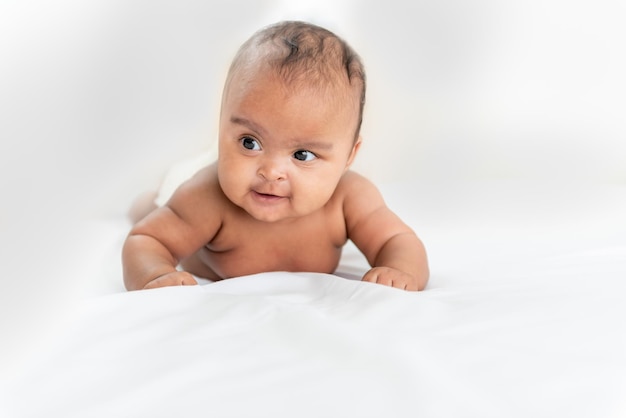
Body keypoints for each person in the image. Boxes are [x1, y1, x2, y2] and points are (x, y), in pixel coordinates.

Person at [122, 21, 429, 291]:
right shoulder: (207, 196)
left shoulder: (349, 198)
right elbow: (147, 240)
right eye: (249, 142)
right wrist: (153, 273)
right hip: (185, 185)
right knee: (153, 205)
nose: (271, 171)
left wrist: (400, 270)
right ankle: (144, 198)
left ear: (349, 156)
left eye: (302, 154)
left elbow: (397, 240)